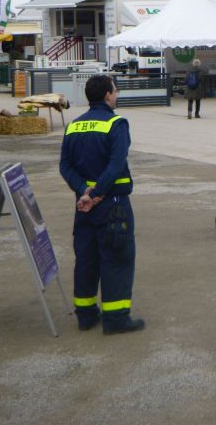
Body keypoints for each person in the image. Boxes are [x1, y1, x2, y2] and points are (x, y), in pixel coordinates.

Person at [59, 74, 145, 335]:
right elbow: (116, 164)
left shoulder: (73, 126)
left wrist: (83, 190)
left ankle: (85, 314)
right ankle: (116, 318)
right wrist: (97, 192)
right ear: (108, 94)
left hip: (83, 206)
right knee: (117, 258)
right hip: (112, 204)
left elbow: (65, 166)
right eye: (115, 91)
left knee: (86, 258)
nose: (116, 95)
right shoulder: (117, 124)